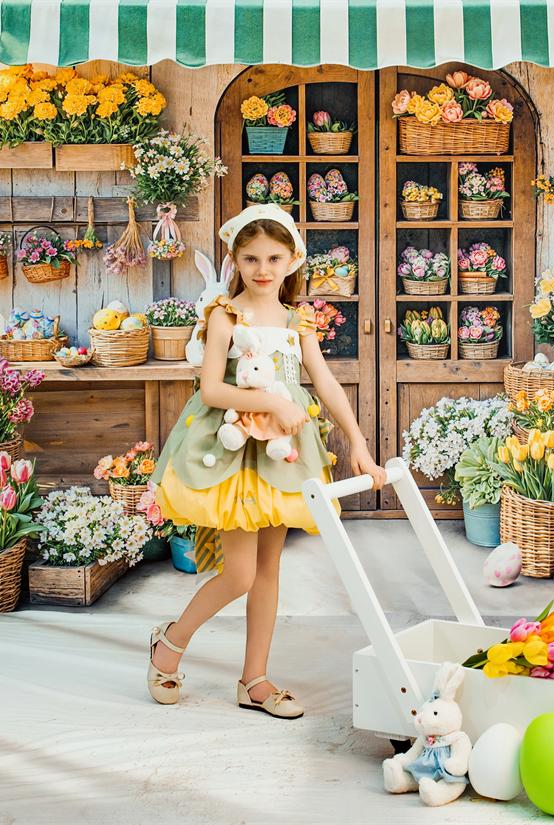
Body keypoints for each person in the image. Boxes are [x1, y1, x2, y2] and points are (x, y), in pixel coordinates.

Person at [146, 203, 386, 718]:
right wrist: (275, 401)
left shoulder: (298, 319)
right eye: (251, 258)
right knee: (240, 574)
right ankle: (171, 640)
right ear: (234, 258)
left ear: (292, 260)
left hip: (283, 451)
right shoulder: (224, 315)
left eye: (274, 258)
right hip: (232, 446)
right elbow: (211, 389)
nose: (262, 269)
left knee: (270, 568)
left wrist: (359, 444)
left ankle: (254, 678)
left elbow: (323, 382)